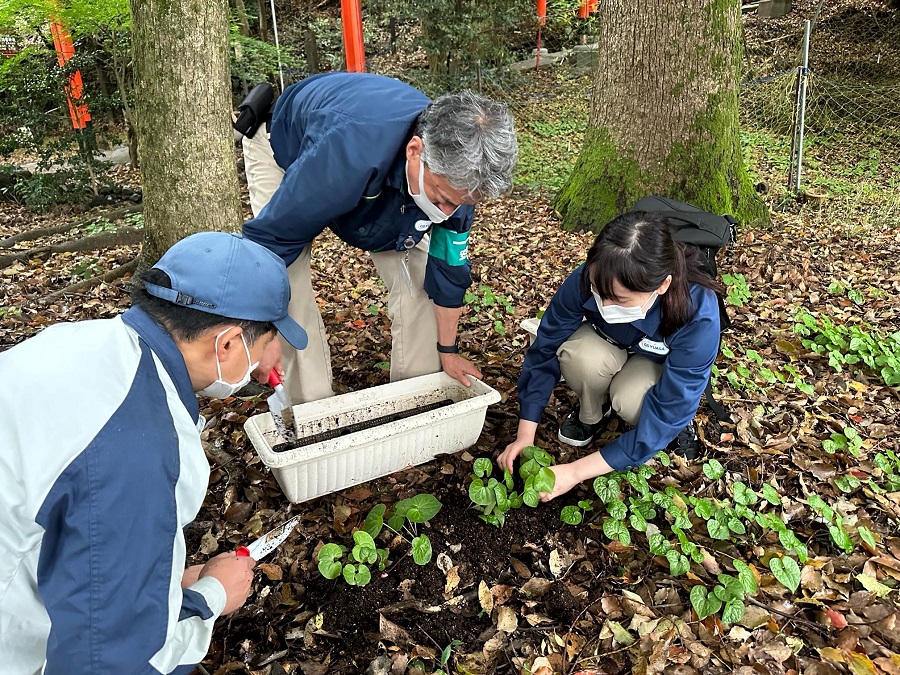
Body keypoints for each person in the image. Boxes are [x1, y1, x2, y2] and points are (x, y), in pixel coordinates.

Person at [0, 232, 308, 674]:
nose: (272, 356)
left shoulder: (82, 346)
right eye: (267, 341)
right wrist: (212, 597)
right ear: (226, 344)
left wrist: (157, 580)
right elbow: (117, 660)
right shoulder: (137, 447)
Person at [241, 72, 518, 404]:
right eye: (442, 198)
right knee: (289, 284)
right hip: (285, 148)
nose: (446, 212)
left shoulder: (460, 181)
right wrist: (262, 331)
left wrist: (448, 351)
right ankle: (313, 412)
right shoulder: (348, 150)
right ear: (416, 151)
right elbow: (270, 245)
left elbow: (447, 271)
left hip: (382, 171)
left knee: (419, 277)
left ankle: (416, 400)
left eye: (460, 203)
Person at [498, 211, 722, 500]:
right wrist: (525, 435)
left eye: (619, 299)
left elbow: (673, 403)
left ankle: (673, 428)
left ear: (663, 285)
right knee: (580, 357)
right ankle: (593, 412)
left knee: (631, 399)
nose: (603, 303)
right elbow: (546, 348)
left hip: (653, 363)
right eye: (598, 291)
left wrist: (575, 472)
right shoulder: (591, 277)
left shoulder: (698, 312)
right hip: (608, 345)